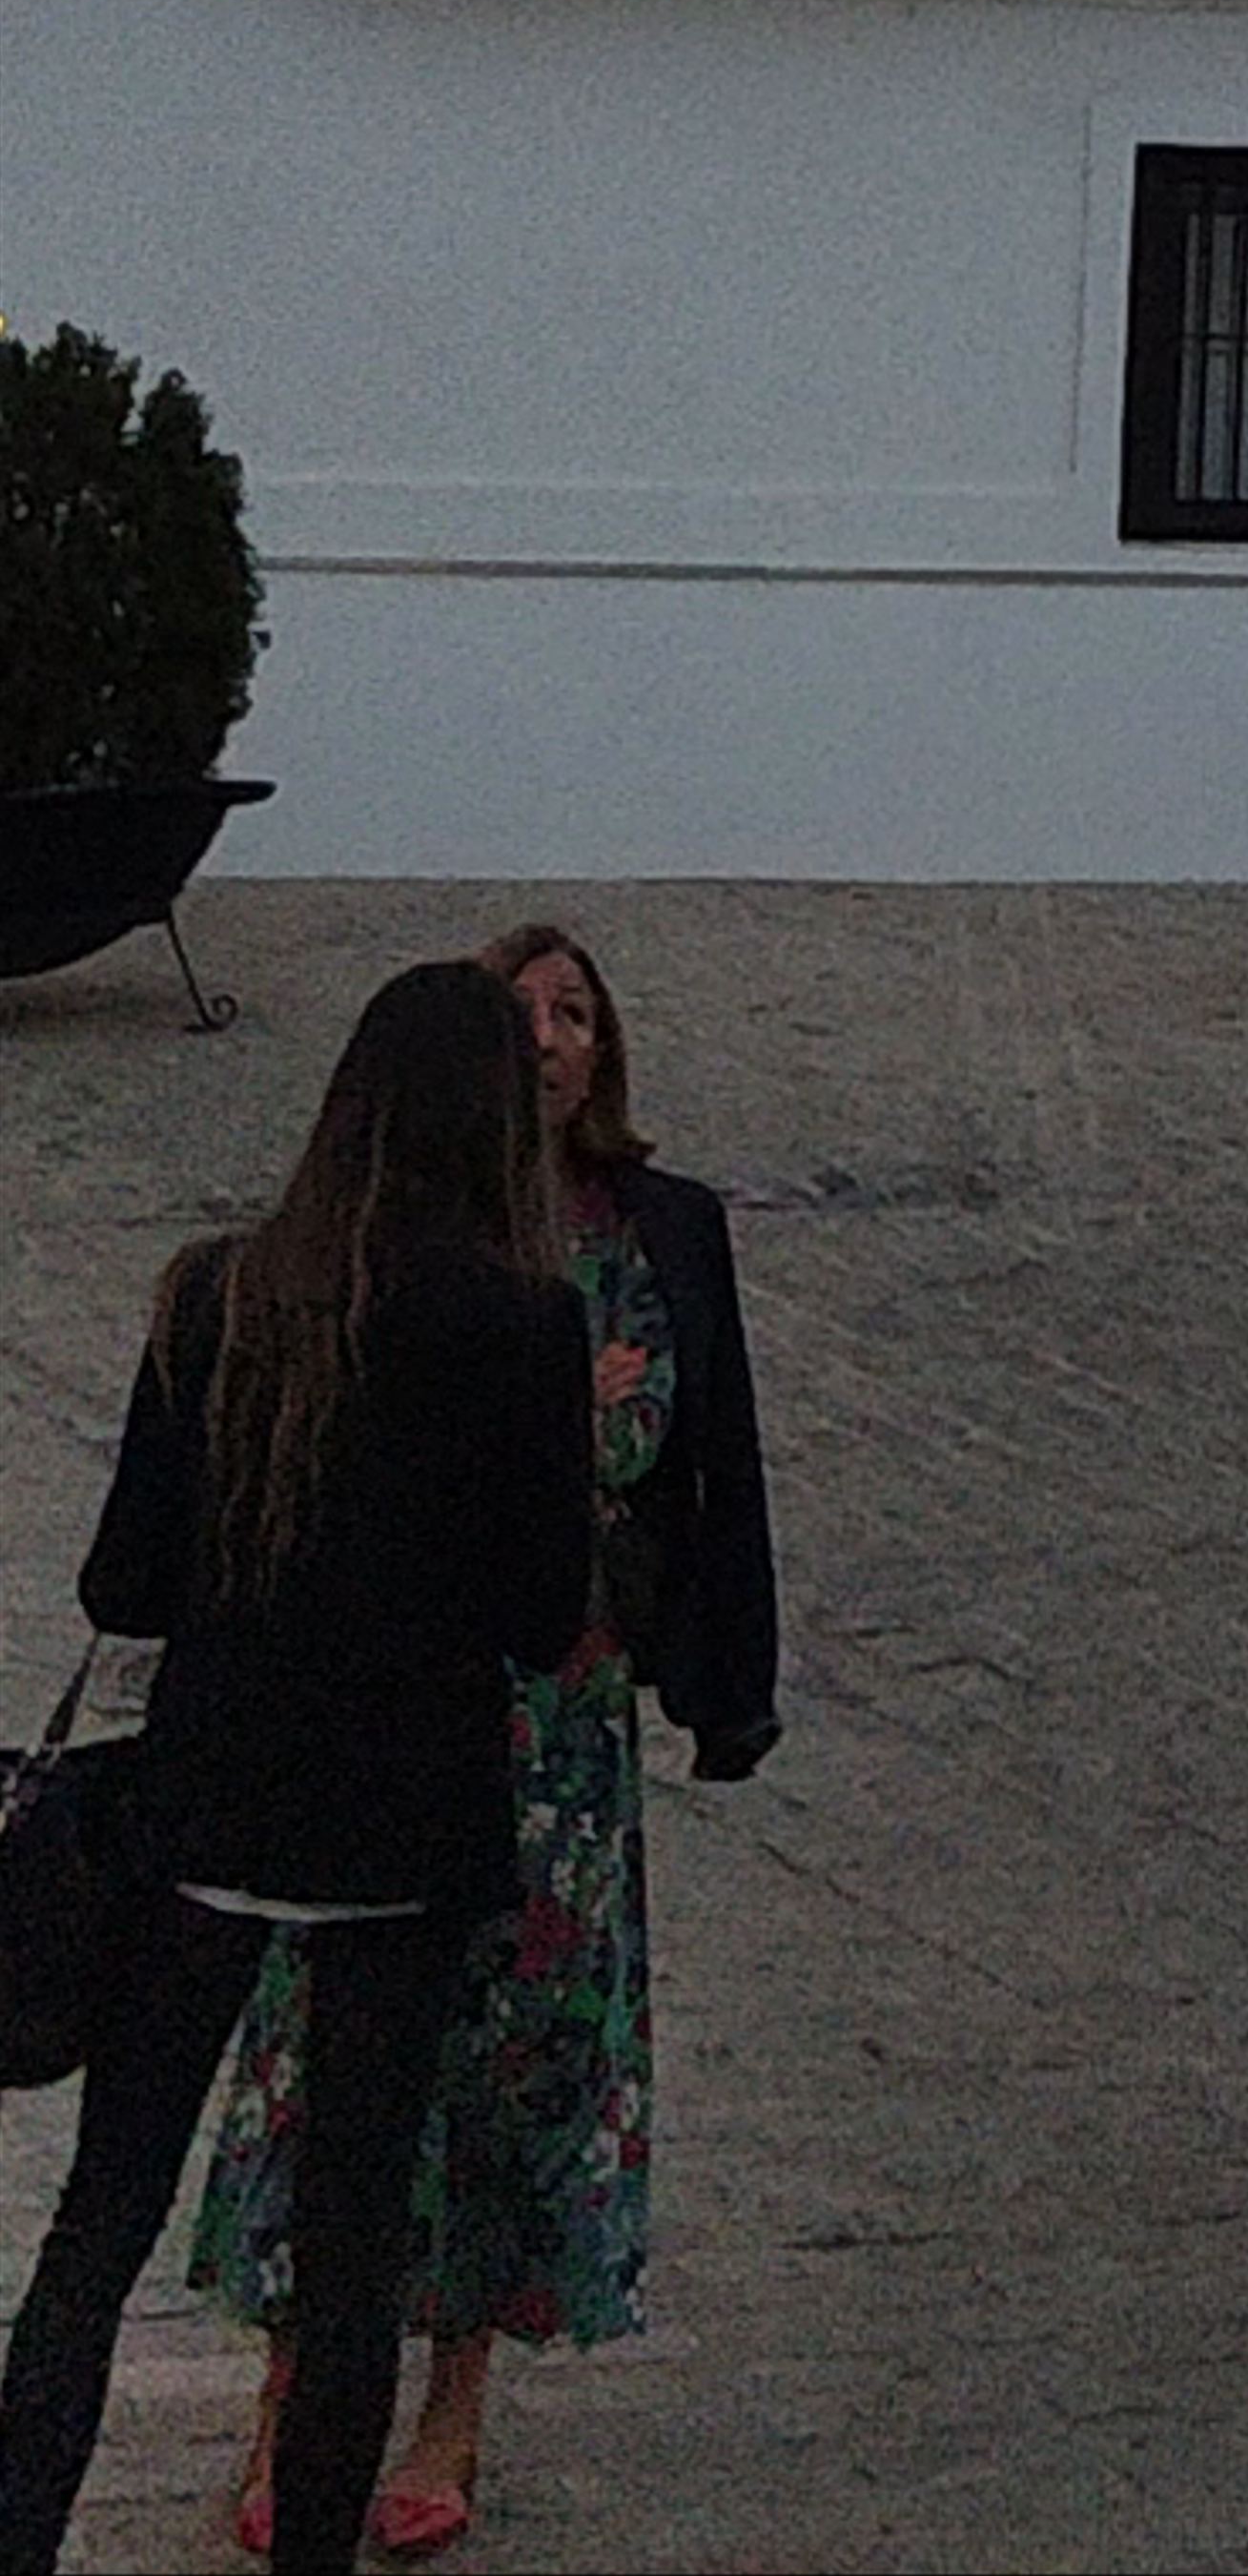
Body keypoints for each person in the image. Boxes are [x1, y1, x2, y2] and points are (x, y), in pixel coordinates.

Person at [0, 965, 593, 2576]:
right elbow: (545, 1617)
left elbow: (122, 1582)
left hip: (204, 1816)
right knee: (349, 2253)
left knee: (99, 2225)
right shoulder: (529, 1322)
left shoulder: (218, 1294)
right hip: (402, 1835)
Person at [197, 921, 779, 2558]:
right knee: (328, 2048)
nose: (548, 1038)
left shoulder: (657, 1227)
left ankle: (454, 2398)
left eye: (576, 1012)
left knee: (520, 2057)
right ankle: (293, 2393)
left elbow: (696, 1447)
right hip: (390, 1702)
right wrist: (558, 1409)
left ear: (608, 1049)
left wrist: (730, 1682)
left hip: (564, 1728)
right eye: (519, 1011)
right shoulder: (396, 1231)